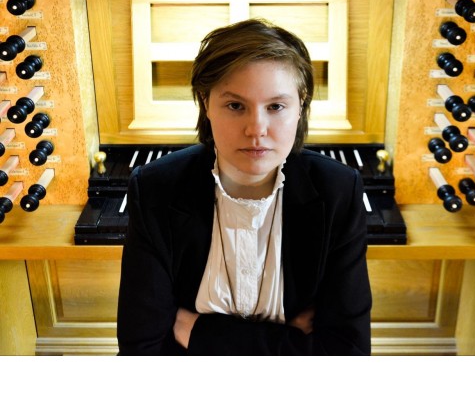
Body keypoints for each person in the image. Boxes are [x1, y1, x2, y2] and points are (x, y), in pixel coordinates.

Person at [117, 18, 372, 355]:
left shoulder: (338, 190)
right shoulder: (154, 188)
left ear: (301, 105)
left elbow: (348, 351)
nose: (256, 129)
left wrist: (195, 332)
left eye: (276, 106)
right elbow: (140, 348)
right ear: (206, 103)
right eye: (236, 106)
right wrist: (295, 341)